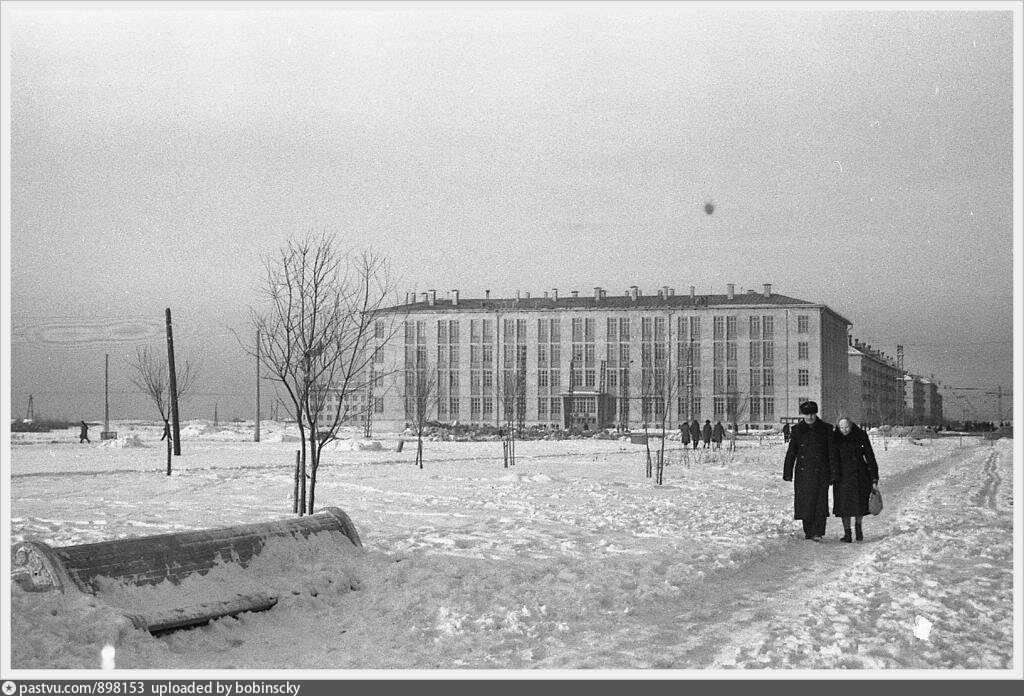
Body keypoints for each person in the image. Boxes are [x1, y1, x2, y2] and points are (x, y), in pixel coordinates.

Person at [782, 401, 837, 541]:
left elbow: (832, 453)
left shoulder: (826, 429)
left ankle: (818, 532)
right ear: (803, 415)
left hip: (821, 472)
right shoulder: (797, 430)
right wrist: (787, 472)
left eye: (812, 414)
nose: (810, 417)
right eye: (807, 414)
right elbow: (791, 452)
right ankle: (808, 531)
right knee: (805, 502)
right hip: (803, 473)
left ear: (816, 414)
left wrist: (834, 472)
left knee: (820, 502)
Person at [832, 417, 879, 542]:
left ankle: (858, 529)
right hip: (842, 478)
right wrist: (832, 475)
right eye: (841, 427)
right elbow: (831, 458)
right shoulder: (835, 438)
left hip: (860, 475)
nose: (844, 430)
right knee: (844, 507)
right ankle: (847, 533)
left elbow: (870, 456)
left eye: (846, 427)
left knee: (859, 505)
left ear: (851, 425)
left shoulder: (860, 436)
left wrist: (874, 477)